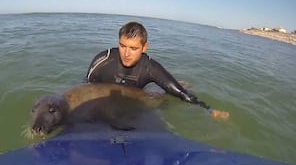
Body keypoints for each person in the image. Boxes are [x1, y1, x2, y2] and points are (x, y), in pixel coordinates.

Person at [85, 22, 229, 119]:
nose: (126, 53)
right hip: (105, 106)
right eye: (123, 46)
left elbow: (181, 93)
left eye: (133, 48)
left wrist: (209, 110)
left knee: (167, 94)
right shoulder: (103, 60)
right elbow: (83, 87)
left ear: (144, 48)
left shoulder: (149, 67)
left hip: (134, 104)